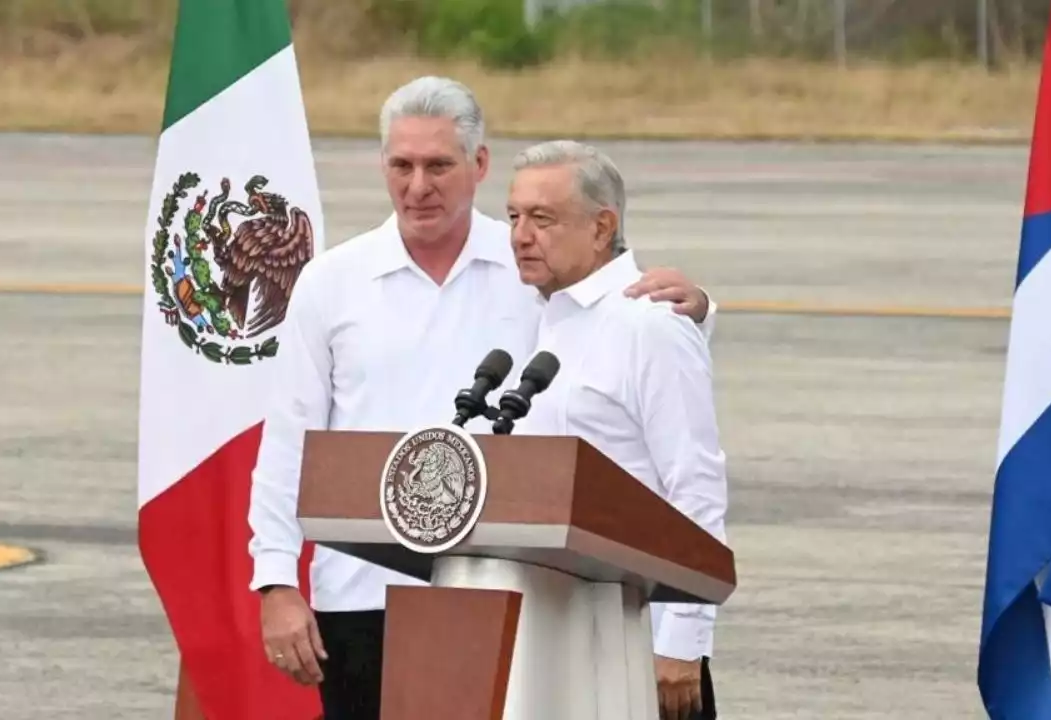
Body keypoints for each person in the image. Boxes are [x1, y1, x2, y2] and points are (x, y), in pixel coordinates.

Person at [246, 76, 718, 719]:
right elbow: (289, 440)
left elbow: (623, 339)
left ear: (479, 164)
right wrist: (276, 579)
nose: (419, 186)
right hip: (361, 592)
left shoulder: (532, 264)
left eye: (439, 164)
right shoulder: (332, 282)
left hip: (508, 594)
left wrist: (697, 313)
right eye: (402, 165)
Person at [504, 139, 729, 720]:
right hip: (554, 633)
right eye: (514, 216)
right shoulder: (543, 314)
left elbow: (696, 486)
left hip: (639, 637)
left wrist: (682, 641)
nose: (520, 235)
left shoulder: (649, 325)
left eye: (542, 218)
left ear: (603, 228)